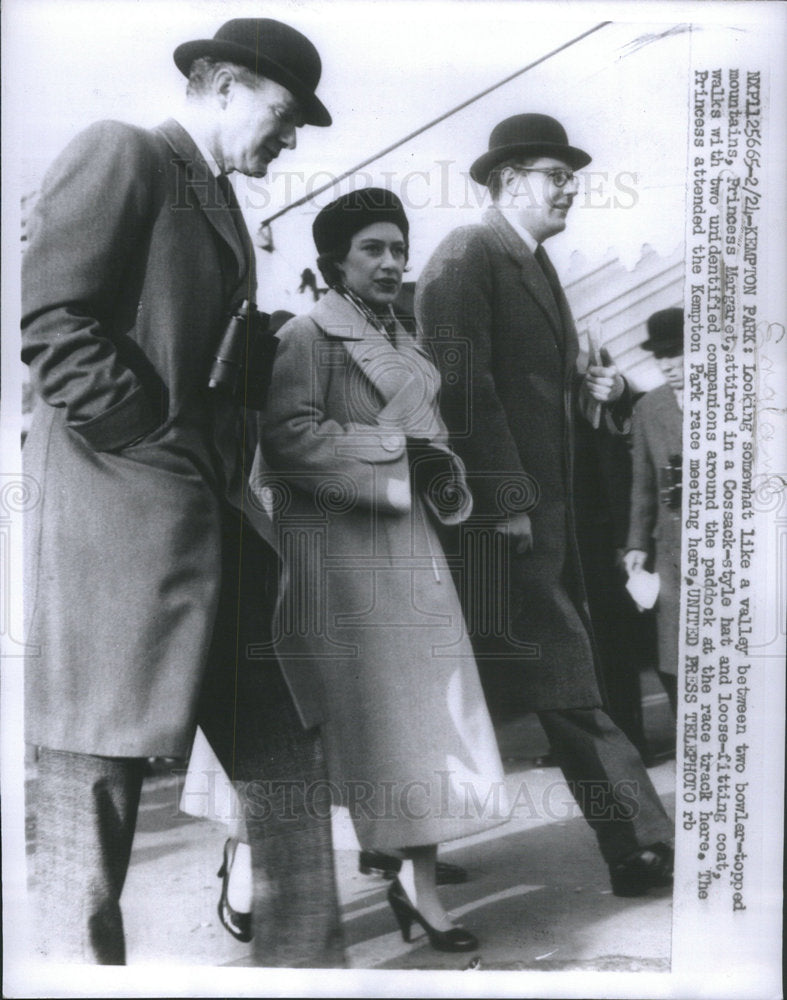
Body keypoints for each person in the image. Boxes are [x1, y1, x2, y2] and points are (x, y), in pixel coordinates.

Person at [21, 18, 344, 966]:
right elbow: (52, 319)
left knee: (286, 757)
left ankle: (308, 967)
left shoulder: (217, 198)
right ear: (225, 87)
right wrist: (144, 438)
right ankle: (73, 977)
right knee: (92, 780)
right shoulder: (123, 152)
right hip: (120, 535)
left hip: (209, 527)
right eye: (285, 114)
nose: (290, 138)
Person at [416, 113, 675, 897]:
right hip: (506, 520)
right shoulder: (466, 255)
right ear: (505, 181)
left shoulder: (531, 261)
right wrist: (505, 500)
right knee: (561, 681)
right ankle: (638, 843)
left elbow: (528, 390)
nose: (569, 188)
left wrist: (594, 391)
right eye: (553, 175)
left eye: (572, 176)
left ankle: (398, 848)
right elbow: (459, 386)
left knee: (516, 684)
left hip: (544, 520)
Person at [260, 188, 508, 952]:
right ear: (334, 261)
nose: (391, 262)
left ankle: (416, 881)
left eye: (398, 248)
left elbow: (426, 440)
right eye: (372, 248)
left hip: (410, 551)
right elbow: (287, 438)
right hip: (343, 564)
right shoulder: (307, 335)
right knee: (367, 730)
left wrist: (438, 472)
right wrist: (395, 455)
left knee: (423, 722)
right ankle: (254, 870)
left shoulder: (403, 336)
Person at [624, 307, 684, 714]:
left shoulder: (737, 398)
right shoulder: (649, 408)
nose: (667, 364)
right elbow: (643, 485)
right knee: (675, 650)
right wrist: (636, 544)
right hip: (671, 550)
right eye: (660, 356)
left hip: (729, 548)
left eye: (676, 352)